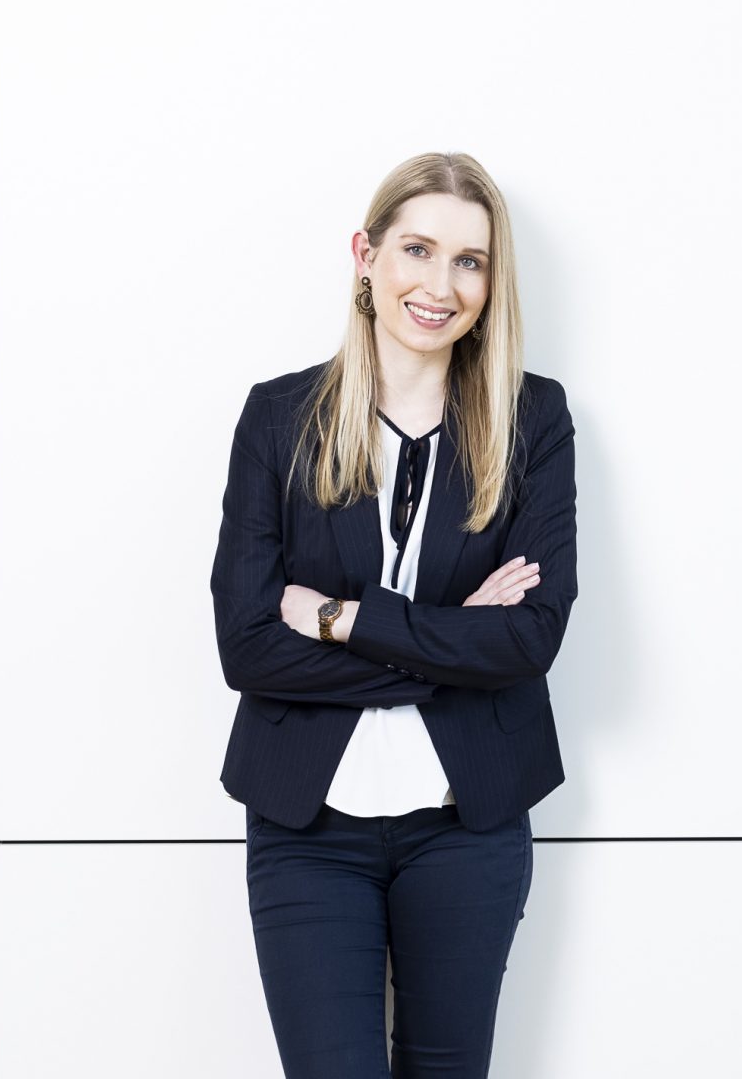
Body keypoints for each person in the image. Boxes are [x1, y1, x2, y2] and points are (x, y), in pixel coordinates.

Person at [210, 152, 577, 1078]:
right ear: (365, 256)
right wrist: (457, 640)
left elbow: (530, 637)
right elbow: (248, 647)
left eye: (469, 261)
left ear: (491, 283)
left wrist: (342, 617)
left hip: (468, 825)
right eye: (417, 249)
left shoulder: (533, 421)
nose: (439, 285)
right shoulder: (278, 419)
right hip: (308, 830)